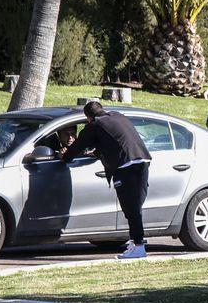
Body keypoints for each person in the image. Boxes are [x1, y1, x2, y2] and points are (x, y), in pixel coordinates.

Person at [63, 101, 152, 260]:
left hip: (125, 166)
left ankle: (138, 246)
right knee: (136, 208)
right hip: (143, 161)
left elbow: (77, 146)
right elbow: (116, 140)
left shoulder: (95, 125)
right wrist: (97, 152)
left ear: (88, 117)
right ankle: (136, 243)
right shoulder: (118, 116)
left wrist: (64, 157)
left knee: (131, 208)